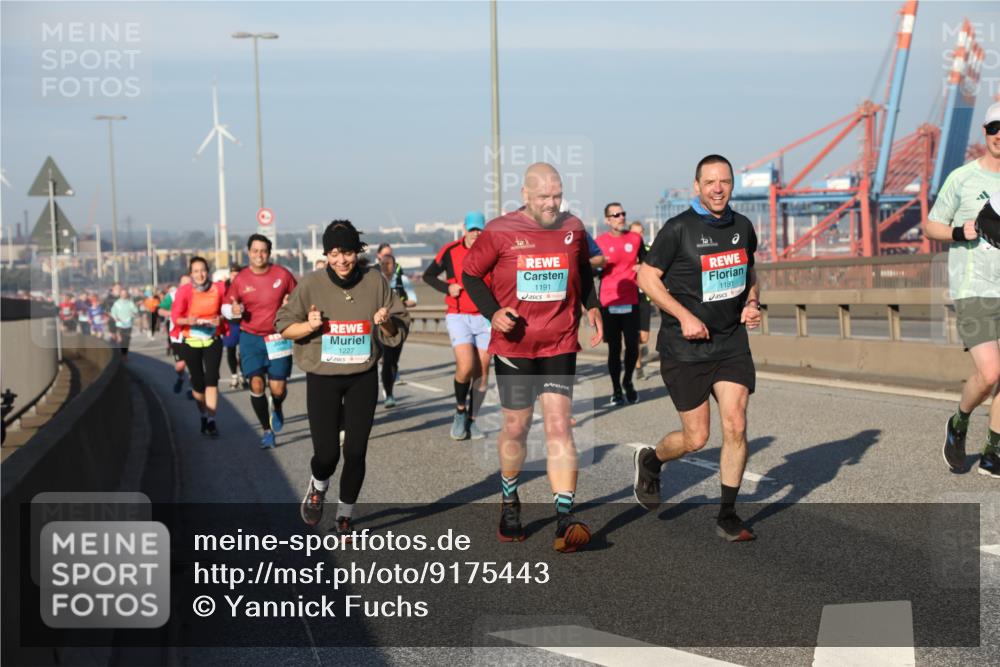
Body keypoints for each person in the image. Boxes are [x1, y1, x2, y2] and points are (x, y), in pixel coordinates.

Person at [462, 162, 603, 553]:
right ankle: (509, 498)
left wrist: (592, 305)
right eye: (544, 197)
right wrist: (493, 312)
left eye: (557, 195)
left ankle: (564, 517)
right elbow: (471, 276)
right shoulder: (499, 231)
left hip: (559, 341)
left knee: (559, 425)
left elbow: (582, 271)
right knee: (518, 428)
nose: (552, 204)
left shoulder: (573, 227)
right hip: (515, 348)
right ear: (524, 194)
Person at [632, 154, 761, 542]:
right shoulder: (678, 229)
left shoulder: (742, 226)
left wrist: (752, 303)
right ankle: (652, 461)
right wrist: (683, 315)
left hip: (730, 343)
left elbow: (749, 270)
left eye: (724, 181)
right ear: (697, 187)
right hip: (685, 348)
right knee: (696, 439)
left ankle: (727, 515)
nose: (718, 188)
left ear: (732, 185)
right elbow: (645, 277)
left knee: (736, 424)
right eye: (710, 182)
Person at [276, 220, 410, 534]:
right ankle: (318, 486)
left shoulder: (375, 281)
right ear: (326, 254)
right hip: (323, 378)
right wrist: (309, 326)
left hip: (362, 376)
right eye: (334, 253)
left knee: (355, 451)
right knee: (326, 454)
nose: (341, 260)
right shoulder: (311, 284)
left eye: (347, 252)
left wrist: (386, 322)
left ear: (357, 252)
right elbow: (282, 324)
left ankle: (345, 514)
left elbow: (397, 331)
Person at [925, 102, 1000, 479]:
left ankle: (993, 451)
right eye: (994, 127)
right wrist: (960, 231)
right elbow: (931, 225)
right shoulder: (962, 178)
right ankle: (959, 421)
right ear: (985, 132)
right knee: (990, 373)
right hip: (974, 288)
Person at [423, 211, 492, 438]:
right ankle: (460, 411)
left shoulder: (492, 250)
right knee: (465, 366)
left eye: (479, 229)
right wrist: (447, 288)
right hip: (458, 315)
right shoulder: (450, 250)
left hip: (485, 318)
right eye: (472, 229)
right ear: (464, 229)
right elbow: (428, 276)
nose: (475, 233)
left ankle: (473, 420)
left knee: (482, 372)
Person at [228, 235, 298, 449]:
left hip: (277, 337)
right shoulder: (240, 279)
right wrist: (233, 310)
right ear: (248, 252)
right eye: (255, 250)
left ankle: (276, 406)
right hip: (250, 337)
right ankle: (267, 431)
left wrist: (290, 304)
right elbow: (227, 305)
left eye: (263, 251)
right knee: (256, 383)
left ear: (269, 253)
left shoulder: (282, 275)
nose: (259, 255)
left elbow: (299, 298)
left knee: (278, 389)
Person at [596, 202, 646, 406]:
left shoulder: (635, 239)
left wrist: (642, 265)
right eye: (615, 215)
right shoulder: (599, 241)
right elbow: (589, 269)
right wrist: (598, 266)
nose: (620, 217)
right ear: (608, 220)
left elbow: (648, 261)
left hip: (631, 300)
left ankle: (628, 382)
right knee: (614, 349)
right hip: (609, 301)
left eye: (622, 213)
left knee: (633, 346)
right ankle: (616, 388)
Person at [171, 257, 227, 436]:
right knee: (198, 384)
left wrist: (221, 319)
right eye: (196, 271)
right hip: (191, 341)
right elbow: (175, 318)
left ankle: (211, 420)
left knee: (211, 379)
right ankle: (203, 414)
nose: (200, 274)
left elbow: (225, 310)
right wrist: (189, 320)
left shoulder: (218, 288)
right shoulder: (185, 291)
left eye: (203, 270)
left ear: (207, 271)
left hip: (213, 339)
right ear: (191, 274)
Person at [377, 253, 416, 408]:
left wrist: (400, 302)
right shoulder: (376, 281)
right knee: (386, 359)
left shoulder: (402, 281)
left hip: (398, 323)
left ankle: (389, 386)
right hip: (380, 324)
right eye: (383, 263)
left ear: (394, 265)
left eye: (389, 263)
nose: (386, 266)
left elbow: (414, 300)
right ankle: (389, 394)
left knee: (393, 361)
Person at [630, 221, 653, 379]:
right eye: (635, 233)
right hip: (630, 298)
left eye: (640, 233)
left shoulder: (649, 251)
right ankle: (638, 366)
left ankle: (636, 349)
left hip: (644, 298)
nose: (638, 236)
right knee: (634, 335)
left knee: (644, 337)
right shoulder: (627, 252)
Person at [159, 279, 190, 394]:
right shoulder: (172, 296)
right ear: (180, 285)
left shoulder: (198, 294)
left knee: (193, 363)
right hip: (177, 335)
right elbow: (160, 310)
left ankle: (192, 388)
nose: (187, 285)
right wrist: (172, 313)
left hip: (193, 334)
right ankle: (181, 378)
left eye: (189, 282)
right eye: (184, 282)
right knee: (180, 366)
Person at [221, 265, 244, 390]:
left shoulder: (245, 285)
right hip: (229, 323)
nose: (235, 277)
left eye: (237, 274)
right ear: (230, 274)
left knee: (243, 351)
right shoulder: (224, 287)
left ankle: (243, 375)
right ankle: (234, 376)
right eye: (233, 274)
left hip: (244, 322)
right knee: (231, 350)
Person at [110, 287, 140, 359]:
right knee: (121, 339)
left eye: (125, 294)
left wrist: (134, 313)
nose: (123, 295)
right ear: (120, 294)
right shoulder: (117, 303)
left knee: (126, 340)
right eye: (122, 294)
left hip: (128, 324)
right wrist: (116, 318)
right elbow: (113, 312)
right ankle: (121, 353)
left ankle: (124, 354)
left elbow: (136, 311)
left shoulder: (130, 303)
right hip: (119, 324)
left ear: (127, 295)